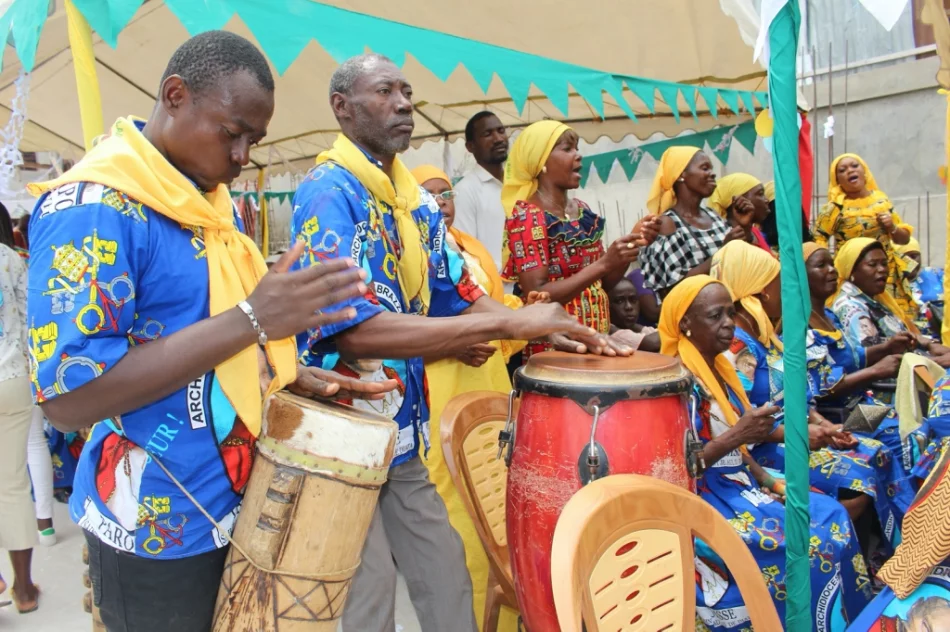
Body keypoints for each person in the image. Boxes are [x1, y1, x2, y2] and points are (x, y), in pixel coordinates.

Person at [25, 32, 388, 632]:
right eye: (233, 132)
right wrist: (253, 320)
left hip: (229, 503)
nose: (244, 155)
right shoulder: (94, 208)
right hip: (154, 530)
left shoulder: (203, 205)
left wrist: (280, 371)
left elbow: (199, 341)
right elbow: (69, 399)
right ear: (174, 96)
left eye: (255, 139)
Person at [291, 53, 613, 632]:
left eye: (407, 90)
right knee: (368, 594)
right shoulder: (326, 192)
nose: (404, 103)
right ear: (342, 108)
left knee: (445, 576)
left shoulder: (411, 199)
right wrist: (506, 324)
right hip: (346, 433)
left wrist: (542, 319)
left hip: (404, 433)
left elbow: (459, 290)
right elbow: (352, 327)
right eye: (385, 91)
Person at [658, 275, 872, 630]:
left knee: (832, 514)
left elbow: (741, 447)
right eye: (715, 316)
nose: (728, 324)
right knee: (811, 541)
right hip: (705, 496)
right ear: (685, 325)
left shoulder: (720, 369)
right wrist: (738, 437)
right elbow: (678, 468)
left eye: (731, 313)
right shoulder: (677, 384)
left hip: (740, 482)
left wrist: (769, 482)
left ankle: (844, 622)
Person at [713, 241, 912, 556]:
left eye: (832, 264)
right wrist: (873, 373)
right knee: (885, 435)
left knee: (889, 429)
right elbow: (824, 388)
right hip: (833, 414)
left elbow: (804, 394)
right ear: (763, 290)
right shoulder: (777, 333)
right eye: (821, 265)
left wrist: (820, 424)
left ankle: (900, 542)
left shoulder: (824, 317)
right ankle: (888, 548)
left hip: (826, 417)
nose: (831, 272)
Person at [410, 164, 529, 631]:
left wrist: (525, 315)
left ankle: (513, 611)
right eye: (428, 195)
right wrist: (452, 343)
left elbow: (496, 310)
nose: (440, 203)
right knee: (459, 507)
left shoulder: (470, 248)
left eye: (446, 194)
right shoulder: (408, 253)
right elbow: (387, 331)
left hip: (492, 382)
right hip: (438, 389)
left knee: (503, 497)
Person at [500, 120, 659, 359]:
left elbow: (602, 282)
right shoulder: (527, 217)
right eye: (567, 149)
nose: (578, 156)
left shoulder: (582, 211)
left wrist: (629, 246)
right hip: (555, 347)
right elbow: (538, 293)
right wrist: (605, 263)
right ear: (540, 162)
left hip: (597, 339)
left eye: (577, 148)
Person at [816, 154, 916, 320]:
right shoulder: (835, 208)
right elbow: (818, 239)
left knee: (896, 320)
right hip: (854, 277)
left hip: (887, 274)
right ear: (837, 180)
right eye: (842, 170)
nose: (850, 171)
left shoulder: (881, 201)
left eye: (854, 166)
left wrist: (892, 226)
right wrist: (832, 264)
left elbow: (903, 240)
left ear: (865, 171)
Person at [0, 196, 39, 614]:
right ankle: (24, 590)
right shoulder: (10, 260)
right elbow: (32, 318)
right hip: (10, 380)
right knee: (11, 485)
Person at [639, 147, 743, 297]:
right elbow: (673, 289)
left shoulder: (712, 216)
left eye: (711, 168)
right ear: (682, 175)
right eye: (705, 168)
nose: (712, 173)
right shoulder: (667, 224)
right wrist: (722, 253)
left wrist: (742, 226)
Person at [831, 238, 950, 367]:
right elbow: (876, 362)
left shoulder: (875, 300)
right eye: (872, 264)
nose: (882, 269)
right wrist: (936, 362)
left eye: (884, 263)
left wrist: (929, 344)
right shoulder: (850, 307)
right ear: (851, 271)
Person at [453, 111, 509, 270]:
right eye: (487, 134)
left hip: (531, 290)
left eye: (501, 131)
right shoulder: (464, 192)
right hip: (496, 291)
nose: (498, 139)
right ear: (470, 146)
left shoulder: (518, 185)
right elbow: (467, 256)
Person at [706, 172, 772, 251]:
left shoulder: (754, 232)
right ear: (739, 201)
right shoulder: (724, 239)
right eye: (760, 194)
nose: (766, 200)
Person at [896, 237, 941, 336]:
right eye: (904, 258)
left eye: (914, 256)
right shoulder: (890, 286)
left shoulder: (936, 274)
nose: (910, 263)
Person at [607, 276, 658, 351]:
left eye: (633, 300)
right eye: (619, 301)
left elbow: (657, 333)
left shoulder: (631, 326)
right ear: (606, 305)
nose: (629, 307)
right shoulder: (609, 331)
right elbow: (653, 343)